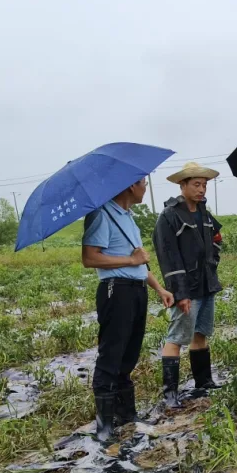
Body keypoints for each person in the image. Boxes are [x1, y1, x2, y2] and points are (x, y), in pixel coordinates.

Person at [81, 177, 174, 441]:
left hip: (136, 289)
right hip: (116, 290)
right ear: (130, 186)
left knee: (129, 354)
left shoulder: (128, 217)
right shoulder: (101, 214)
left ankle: (127, 416)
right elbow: (89, 257)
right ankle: (104, 427)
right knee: (111, 354)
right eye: (143, 183)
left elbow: (139, 264)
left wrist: (159, 289)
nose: (146, 187)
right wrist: (130, 259)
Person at [154, 162, 225, 408]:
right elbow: (167, 256)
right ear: (182, 185)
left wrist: (214, 257)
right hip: (186, 289)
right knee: (176, 338)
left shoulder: (204, 213)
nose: (202, 189)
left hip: (206, 284)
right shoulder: (170, 216)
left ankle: (203, 381)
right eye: (196, 184)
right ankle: (170, 394)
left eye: (204, 185)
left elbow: (216, 237)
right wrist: (179, 292)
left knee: (201, 333)